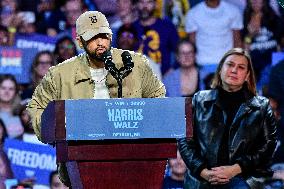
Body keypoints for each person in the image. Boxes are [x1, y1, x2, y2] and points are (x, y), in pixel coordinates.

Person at [27, 11, 165, 187]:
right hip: (82, 165)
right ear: (80, 42)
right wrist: (56, 133)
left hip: (134, 161)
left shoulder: (135, 64)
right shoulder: (60, 74)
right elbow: (37, 108)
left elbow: (159, 102)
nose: (100, 43)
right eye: (93, 38)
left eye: (104, 36)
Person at [178, 48, 277, 188]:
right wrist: (204, 171)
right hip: (202, 178)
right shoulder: (198, 100)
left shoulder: (262, 107)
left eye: (241, 67)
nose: (234, 70)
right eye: (230, 65)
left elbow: (268, 146)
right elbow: (184, 140)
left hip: (243, 177)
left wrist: (235, 169)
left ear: (247, 75)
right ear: (220, 70)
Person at [184, 0, 243, 89]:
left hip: (227, 66)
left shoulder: (233, 11)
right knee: (205, 100)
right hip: (202, 66)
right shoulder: (193, 13)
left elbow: (237, 42)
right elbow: (192, 45)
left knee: (228, 100)